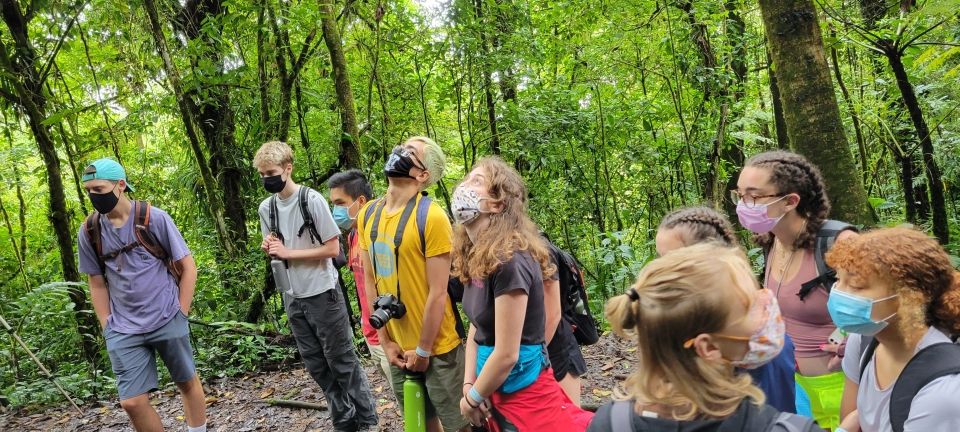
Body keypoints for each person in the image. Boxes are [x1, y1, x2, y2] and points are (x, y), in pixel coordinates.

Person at [588, 243, 822, 432]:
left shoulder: (608, 423)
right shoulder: (786, 427)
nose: (767, 303)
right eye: (751, 305)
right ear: (708, 347)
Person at [452, 157, 594, 431]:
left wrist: (472, 399)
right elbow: (477, 328)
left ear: (498, 203)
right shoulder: (476, 255)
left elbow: (507, 353)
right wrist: (471, 385)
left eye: (477, 181)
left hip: (525, 394)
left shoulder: (510, 260)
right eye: (467, 178)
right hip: (494, 389)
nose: (464, 185)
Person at [253, 141, 377, 432]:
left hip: (322, 292)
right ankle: (343, 419)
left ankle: (367, 419)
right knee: (316, 364)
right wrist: (270, 247)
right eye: (261, 174)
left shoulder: (311, 200)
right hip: (292, 295)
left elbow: (333, 249)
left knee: (341, 361)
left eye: (270, 172)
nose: (266, 178)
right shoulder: (266, 208)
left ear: (287, 168)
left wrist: (289, 253)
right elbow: (277, 248)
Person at [77, 158, 207, 432]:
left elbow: (187, 267)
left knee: (186, 381)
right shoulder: (89, 231)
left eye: (98, 189)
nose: (93, 196)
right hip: (123, 328)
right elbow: (96, 282)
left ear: (120, 185)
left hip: (166, 315)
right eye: (88, 190)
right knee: (132, 402)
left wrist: (181, 312)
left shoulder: (153, 218)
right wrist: (107, 326)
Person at [733, 150, 858, 429]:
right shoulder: (771, 241)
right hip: (790, 386)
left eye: (753, 196)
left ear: (790, 201)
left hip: (839, 388)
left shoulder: (839, 243)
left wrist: (851, 341)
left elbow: (883, 305)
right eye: (740, 195)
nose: (743, 204)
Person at [356, 136, 468, 432]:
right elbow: (370, 280)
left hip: (439, 345)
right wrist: (385, 340)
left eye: (409, 152)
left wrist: (423, 349)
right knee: (420, 421)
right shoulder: (368, 214)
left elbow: (438, 290)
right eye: (400, 147)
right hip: (397, 343)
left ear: (423, 174)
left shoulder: (431, 216)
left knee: (460, 425)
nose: (399, 153)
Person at [656, 206, 797, 414]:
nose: (661, 269)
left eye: (673, 260)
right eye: (660, 259)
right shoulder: (746, 315)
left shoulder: (743, 335)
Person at [828, 227, 960, 432]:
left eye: (856, 285)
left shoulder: (943, 390)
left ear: (911, 296)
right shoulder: (863, 340)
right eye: (838, 280)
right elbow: (853, 417)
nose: (838, 294)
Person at [327, 169, 393, 392]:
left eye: (340, 203)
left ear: (361, 201)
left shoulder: (382, 234)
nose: (336, 211)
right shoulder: (353, 234)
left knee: (418, 406)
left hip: (390, 334)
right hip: (371, 332)